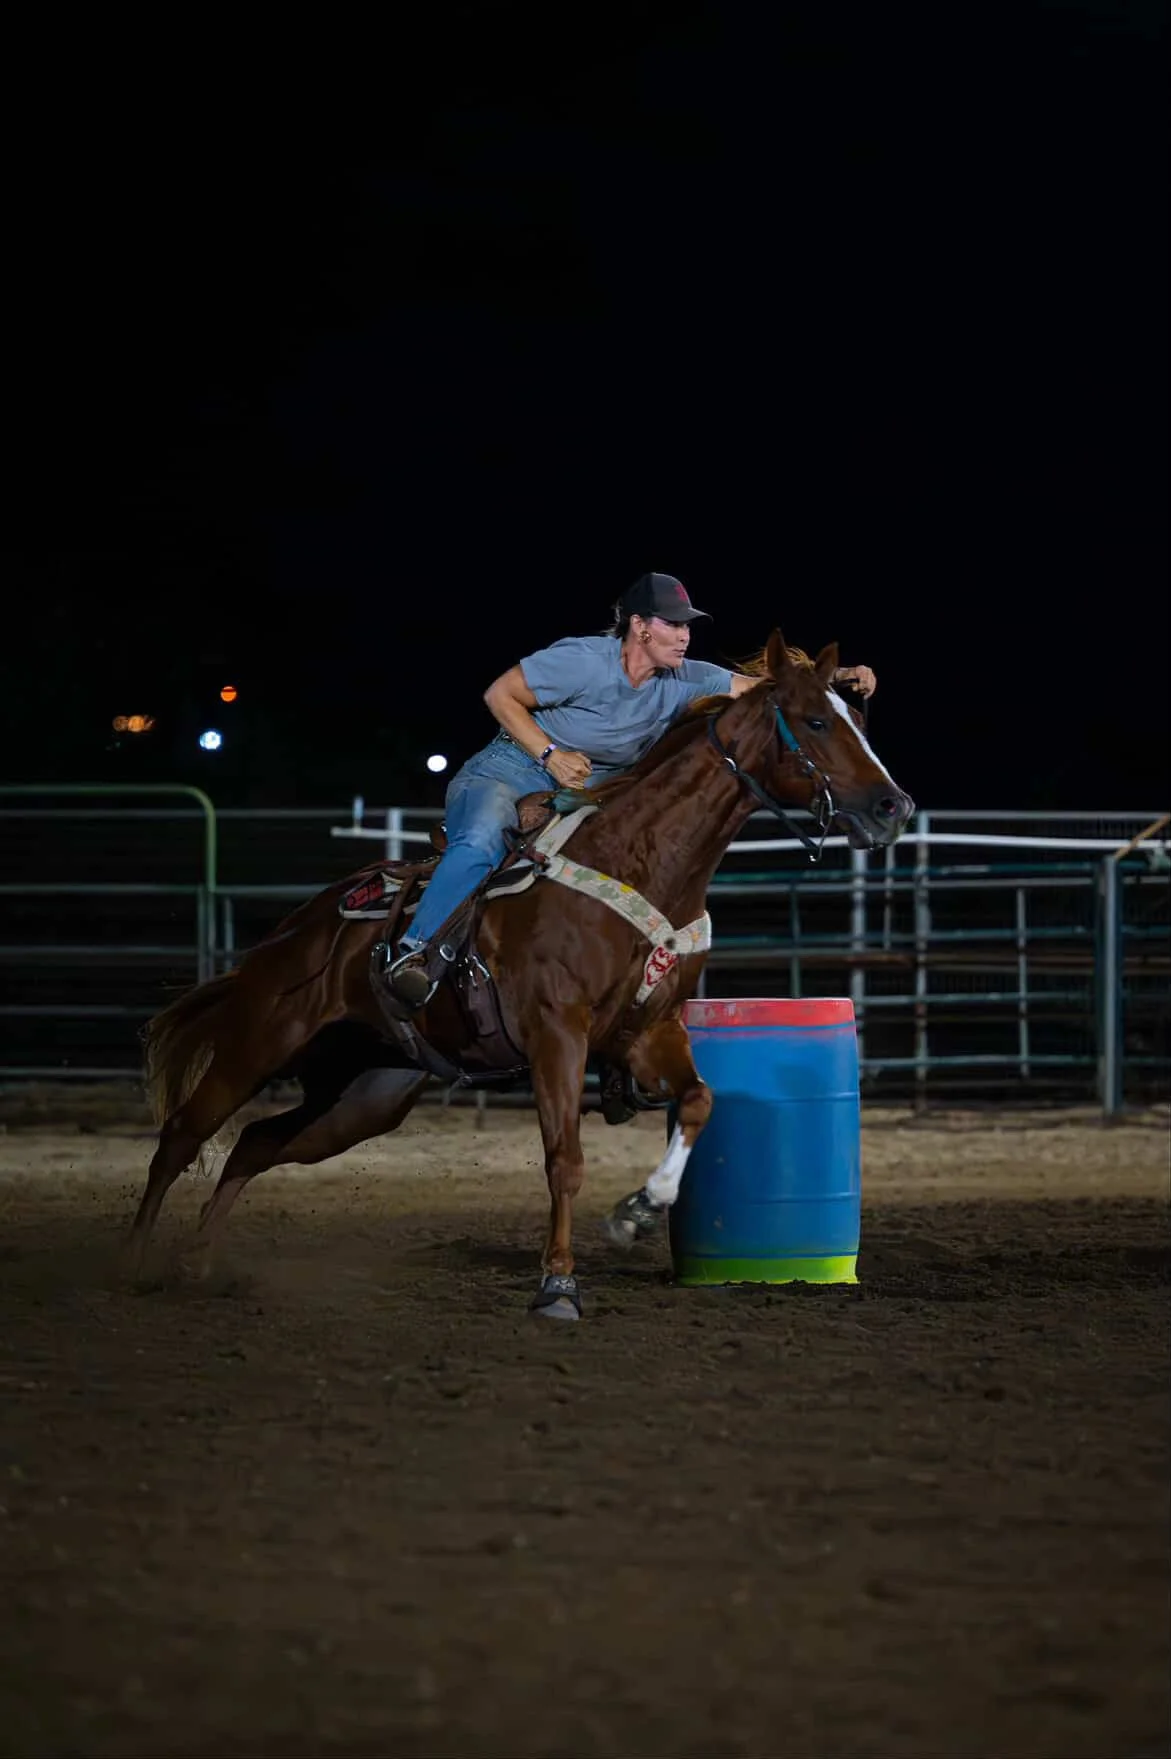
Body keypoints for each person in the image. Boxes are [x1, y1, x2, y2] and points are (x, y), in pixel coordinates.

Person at [386, 572, 877, 1006]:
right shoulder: (582, 660)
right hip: (508, 770)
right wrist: (551, 756)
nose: (686, 636)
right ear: (641, 626)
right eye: (675, 624)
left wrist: (842, 678)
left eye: (687, 626)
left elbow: (773, 690)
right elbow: (500, 694)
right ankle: (413, 953)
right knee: (479, 842)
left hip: (589, 790)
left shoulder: (689, 678)